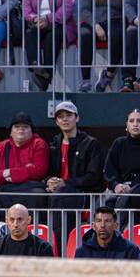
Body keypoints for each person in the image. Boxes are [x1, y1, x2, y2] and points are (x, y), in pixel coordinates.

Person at [45, 102, 105, 246]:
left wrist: (65, 183)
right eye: (61, 117)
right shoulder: (54, 144)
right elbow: (48, 173)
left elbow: (93, 177)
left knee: (63, 196)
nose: (65, 119)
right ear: (56, 121)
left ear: (77, 118)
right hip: (58, 192)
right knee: (37, 194)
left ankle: (59, 247)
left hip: (82, 192)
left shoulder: (91, 143)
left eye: (69, 115)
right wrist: (49, 181)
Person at [22, 0, 77, 92]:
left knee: (53, 36)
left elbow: (66, 10)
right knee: (30, 33)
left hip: (59, 24)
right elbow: (26, 10)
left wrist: (47, 19)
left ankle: (46, 73)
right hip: (37, 23)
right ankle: (36, 66)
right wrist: (35, 19)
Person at [76, 0, 126, 92]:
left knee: (119, 34)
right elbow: (84, 9)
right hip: (93, 21)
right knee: (85, 35)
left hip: (116, 20)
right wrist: (95, 25)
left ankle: (108, 74)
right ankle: (86, 80)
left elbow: (128, 7)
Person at [0, 112, 49, 210]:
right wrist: (5, 174)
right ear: (11, 131)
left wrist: (10, 173)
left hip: (31, 189)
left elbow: (39, 171)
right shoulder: (1, 146)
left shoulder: (39, 144)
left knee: (38, 194)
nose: (21, 129)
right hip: (5, 189)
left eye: (25, 127)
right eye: (17, 126)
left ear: (32, 131)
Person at [104, 109, 140, 229]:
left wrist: (132, 187)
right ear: (127, 125)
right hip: (120, 189)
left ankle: (129, 230)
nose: (135, 124)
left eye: (139, 121)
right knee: (109, 202)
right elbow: (109, 171)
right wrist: (116, 185)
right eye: (131, 121)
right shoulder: (119, 143)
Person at [75, 206, 140, 258]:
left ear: (115, 226)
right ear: (93, 226)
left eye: (107, 221)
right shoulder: (81, 252)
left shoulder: (130, 250)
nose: (102, 225)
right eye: (99, 221)